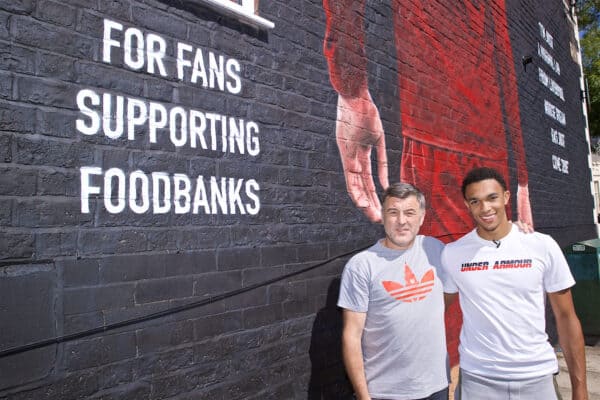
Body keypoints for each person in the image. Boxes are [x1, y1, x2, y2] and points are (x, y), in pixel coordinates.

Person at [441, 167, 588, 400]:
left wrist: (580, 390)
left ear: (506, 197)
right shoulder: (453, 253)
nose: (485, 208)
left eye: (492, 198)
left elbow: (567, 317)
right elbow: (434, 309)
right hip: (478, 380)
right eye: (475, 201)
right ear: (467, 205)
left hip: (536, 377)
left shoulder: (541, 245)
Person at [338, 182, 448, 400]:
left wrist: (515, 232)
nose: (401, 221)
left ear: (422, 217)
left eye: (409, 212)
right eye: (393, 212)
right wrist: (363, 397)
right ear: (383, 215)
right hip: (385, 393)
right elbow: (351, 336)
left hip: (437, 387)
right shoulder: (362, 265)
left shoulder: (435, 249)